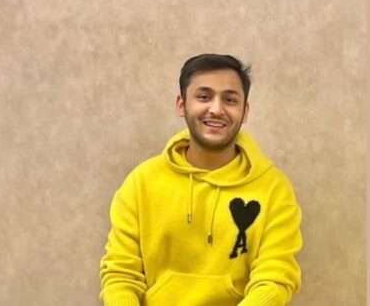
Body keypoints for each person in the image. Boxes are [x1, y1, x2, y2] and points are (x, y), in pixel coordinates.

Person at [99, 54, 302, 306]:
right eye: (204, 97)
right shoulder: (142, 183)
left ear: (245, 111)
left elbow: (275, 279)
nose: (216, 109)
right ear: (181, 105)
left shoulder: (274, 189)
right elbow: (120, 275)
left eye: (230, 100)